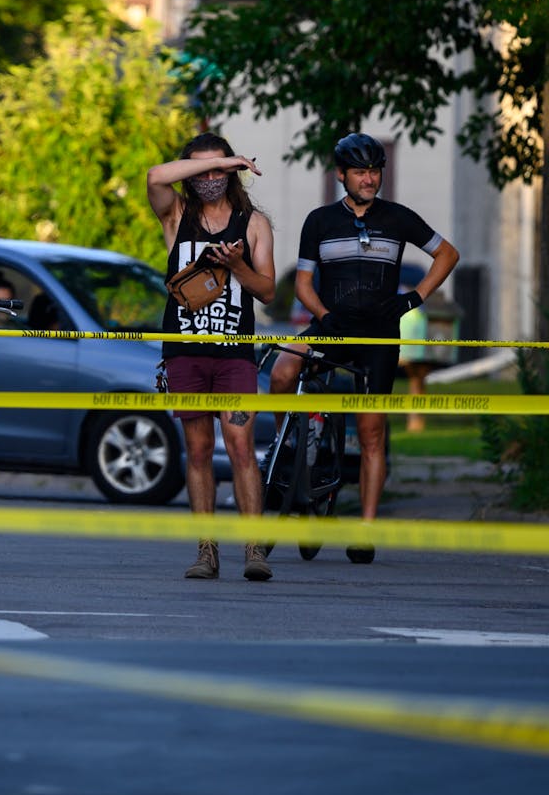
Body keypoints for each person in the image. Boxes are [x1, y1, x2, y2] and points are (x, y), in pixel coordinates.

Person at [274, 132, 459, 563]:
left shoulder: (398, 218)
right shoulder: (319, 221)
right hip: (332, 325)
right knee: (283, 372)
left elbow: (448, 254)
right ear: (341, 175)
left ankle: (366, 528)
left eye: (375, 170)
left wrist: (415, 298)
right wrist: (323, 315)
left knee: (372, 432)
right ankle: (292, 446)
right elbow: (302, 285)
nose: (369, 179)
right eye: (360, 172)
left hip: (378, 335)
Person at [147, 132, 276, 581]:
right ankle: (206, 551)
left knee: (241, 446)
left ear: (234, 174)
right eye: (199, 170)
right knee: (198, 449)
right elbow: (155, 176)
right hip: (184, 352)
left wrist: (238, 267)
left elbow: (268, 290)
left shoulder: (253, 222)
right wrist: (224, 159)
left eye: (217, 169)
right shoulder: (176, 214)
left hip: (235, 353)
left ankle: (255, 550)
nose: (209, 178)